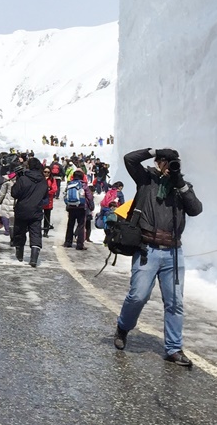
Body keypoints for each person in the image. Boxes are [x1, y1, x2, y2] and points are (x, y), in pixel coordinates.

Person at [113, 147, 204, 365]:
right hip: (147, 249)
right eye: (165, 162)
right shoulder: (146, 180)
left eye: (174, 162)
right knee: (138, 296)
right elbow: (129, 159)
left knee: (175, 302)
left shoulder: (181, 187)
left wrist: (180, 183)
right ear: (157, 163)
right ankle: (123, 328)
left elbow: (196, 209)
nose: (169, 166)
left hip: (173, 252)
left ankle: (174, 348)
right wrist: (153, 151)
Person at [9, 156, 47, 267]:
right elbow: (45, 196)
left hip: (22, 210)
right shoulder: (43, 180)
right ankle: (34, 258)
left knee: (20, 231)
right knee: (35, 233)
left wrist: (18, 180)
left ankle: (19, 253)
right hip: (36, 210)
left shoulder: (23, 178)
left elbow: (14, 193)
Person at [62, 168, 94, 250]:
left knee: (70, 224)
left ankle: (68, 242)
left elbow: (65, 195)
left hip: (71, 207)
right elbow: (89, 197)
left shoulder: (70, 184)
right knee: (81, 225)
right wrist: (91, 206)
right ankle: (80, 244)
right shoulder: (84, 185)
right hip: (81, 207)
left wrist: (68, 204)